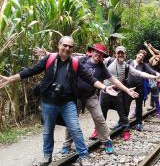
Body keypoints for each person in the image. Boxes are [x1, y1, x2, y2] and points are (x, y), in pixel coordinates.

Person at [0, 36, 118, 166]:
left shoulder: (75, 63)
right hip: (48, 102)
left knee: (75, 129)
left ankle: (83, 155)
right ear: (59, 45)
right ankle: (47, 156)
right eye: (65, 45)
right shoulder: (49, 59)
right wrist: (10, 79)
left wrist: (105, 87)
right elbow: (30, 71)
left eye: (70, 47)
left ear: (73, 49)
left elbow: (91, 79)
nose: (67, 48)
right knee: (47, 130)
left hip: (67, 103)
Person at [34, 44, 139, 154]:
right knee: (71, 121)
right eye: (96, 52)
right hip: (75, 96)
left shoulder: (102, 67)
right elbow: (64, 56)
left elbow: (115, 81)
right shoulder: (82, 60)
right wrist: (47, 54)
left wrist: (127, 90)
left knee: (99, 118)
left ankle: (107, 142)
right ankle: (67, 144)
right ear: (92, 51)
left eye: (101, 53)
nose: (98, 55)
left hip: (90, 96)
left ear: (103, 56)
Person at [96, 46, 160, 141]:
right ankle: (97, 131)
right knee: (102, 112)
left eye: (122, 53)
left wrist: (154, 76)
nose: (120, 54)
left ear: (125, 54)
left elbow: (139, 73)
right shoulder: (108, 61)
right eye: (119, 53)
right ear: (115, 54)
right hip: (105, 91)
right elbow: (97, 64)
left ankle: (125, 131)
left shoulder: (127, 65)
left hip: (119, 92)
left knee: (123, 112)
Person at [125, 50, 160, 131]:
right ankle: (124, 122)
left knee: (139, 106)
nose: (140, 57)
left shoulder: (143, 65)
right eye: (140, 55)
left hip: (139, 88)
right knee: (126, 105)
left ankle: (139, 123)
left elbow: (151, 71)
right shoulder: (129, 62)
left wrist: (157, 74)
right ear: (137, 54)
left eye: (142, 57)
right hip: (129, 88)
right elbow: (122, 69)